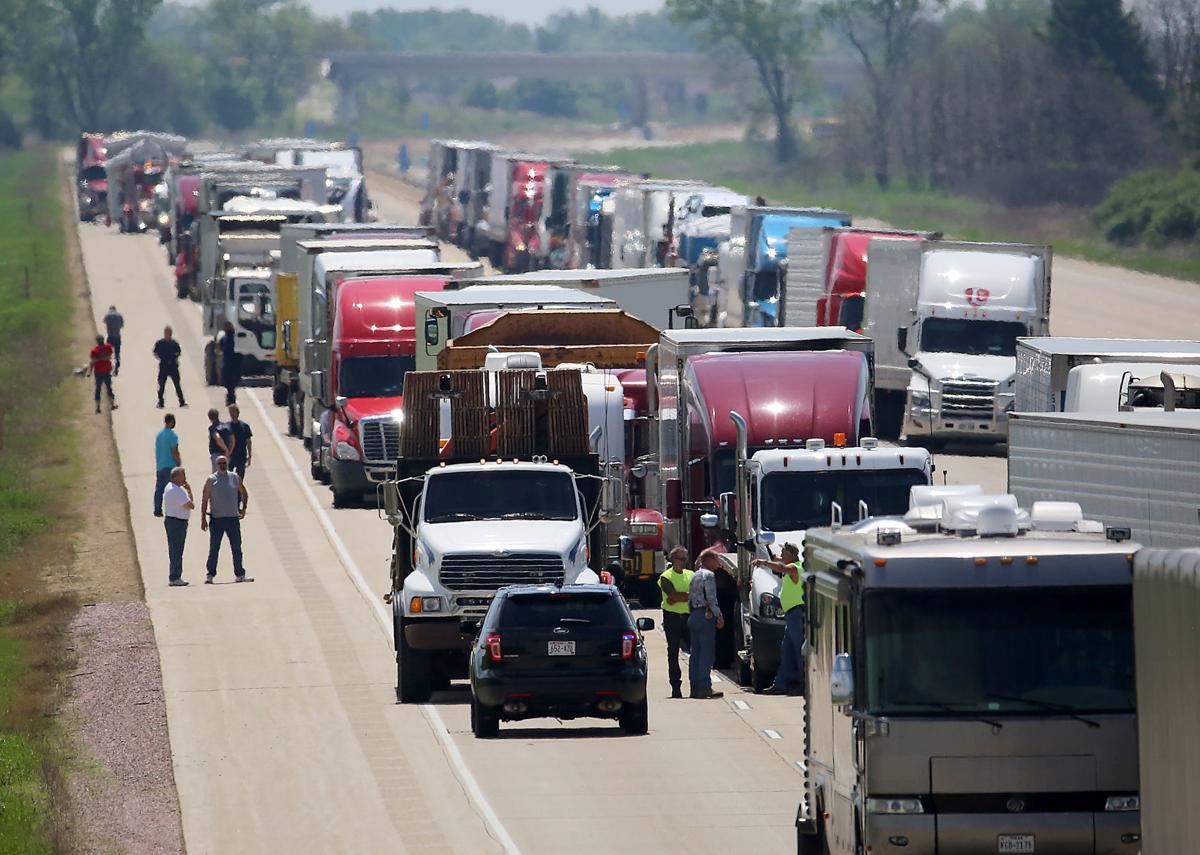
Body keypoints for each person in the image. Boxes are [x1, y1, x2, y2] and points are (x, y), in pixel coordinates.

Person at [754, 542, 806, 695]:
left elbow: (782, 567)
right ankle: (781, 684)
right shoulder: (789, 564)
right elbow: (778, 560)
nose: (781, 555)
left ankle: (804, 684)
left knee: (799, 650)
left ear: (790, 554)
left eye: (783, 552)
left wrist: (763, 562)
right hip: (791, 616)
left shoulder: (797, 567)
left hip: (797, 614)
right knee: (787, 651)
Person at [201, 455, 252, 584]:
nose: (222, 465)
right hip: (217, 519)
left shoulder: (234, 477)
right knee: (214, 548)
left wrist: (243, 507)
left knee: (236, 547)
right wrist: (203, 518)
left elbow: (244, 492)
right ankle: (210, 574)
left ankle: (240, 574)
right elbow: (205, 499)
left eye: (224, 463)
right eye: (220, 463)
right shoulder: (211, 480)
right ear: (217, 465)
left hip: (232, 519)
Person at [687, 547, 725, 700]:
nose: (718, 562)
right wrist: (719, 616)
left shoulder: (694, 576)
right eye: (716, 559)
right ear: (708, 560)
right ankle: (704, 687)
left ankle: (694, 688)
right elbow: (711, 598)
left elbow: (690, 598)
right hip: (705, 615)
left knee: (695, 653)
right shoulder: (709, 576)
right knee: (706, 654)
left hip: (694, 615)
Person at [659, 546, 694, 699]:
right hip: (672, 618)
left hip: (688, 617)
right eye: (681, 559)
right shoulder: (666, 577)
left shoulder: (691, 575)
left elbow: (697, 595)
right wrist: (689, 595)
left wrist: (683, 596)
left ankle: (696, 684)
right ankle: (675, 687)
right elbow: (672, 597)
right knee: (673, 653)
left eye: (685, 559)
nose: (683, 562)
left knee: (695, 652)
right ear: (673, 560)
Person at [163, 466, 194, 587]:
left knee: (177, 550)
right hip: (176, 523)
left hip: (176, 522)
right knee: (176, 550)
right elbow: (190, 505)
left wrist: (189, 490)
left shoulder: (174, 488)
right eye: (183, 475)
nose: (185, 478)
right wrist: (188, 492)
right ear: (176, 477)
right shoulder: (175, 490)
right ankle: (175, 576)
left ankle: (176, 575)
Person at [153, 413, 181, 517]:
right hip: (170, 465)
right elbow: (174, 451)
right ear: (172, 422)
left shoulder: (159, 435)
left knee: (159, 489)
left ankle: (157, 509)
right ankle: (172, 510)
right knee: (172, 490)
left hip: (160, 465)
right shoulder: (173, 435)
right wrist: (178, 462)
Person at [153, 325, 186, 409]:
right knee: (161, 385)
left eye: (169, 333)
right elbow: (155, 352)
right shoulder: (160, 343)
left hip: (173, 366)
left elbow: (179, 352)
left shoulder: (174, 343)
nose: (168, 334)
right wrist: (160, 358)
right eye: (167, 333)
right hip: (163, 365)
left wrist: (174, 357)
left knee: (177, 384)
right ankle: (161, 402)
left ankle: (181, 401)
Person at [87, 334, 117, 414]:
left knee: (104, 389)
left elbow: (94, 361)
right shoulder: (105, 348)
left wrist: (98, 360)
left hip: (103, 371)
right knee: (102, 389)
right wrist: (90, 371)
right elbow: (94, 361)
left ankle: (103, 406)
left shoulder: (96, 350)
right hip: (102, 371)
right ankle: (102, 406)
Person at [226, 404, 253, 480]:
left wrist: (250, 455)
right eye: (230, 412)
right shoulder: (227, 426)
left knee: (240, 478)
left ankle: (239, 492)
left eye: (233, 411)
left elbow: (248, 441)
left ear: (238, 412)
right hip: (230, 455)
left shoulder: (244, 426)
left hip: (241, 455)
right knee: (228, 477)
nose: (231, 414)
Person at [219, 321, 240, 405]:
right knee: (227, 382)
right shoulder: (224, 338)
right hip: (227, 363)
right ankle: (230, 397)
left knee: (233, 382)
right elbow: (219, 348)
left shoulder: (236, 338)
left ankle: (231, 398)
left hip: (235, 363)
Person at [102, 305, 124, 375]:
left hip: (110, 337)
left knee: (107, 353)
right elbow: (122, 325)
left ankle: (107, 367)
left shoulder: (107, 315)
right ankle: (116, 367)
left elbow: (104, 321)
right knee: (117, 354)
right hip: (117, 337)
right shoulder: (119, 315)